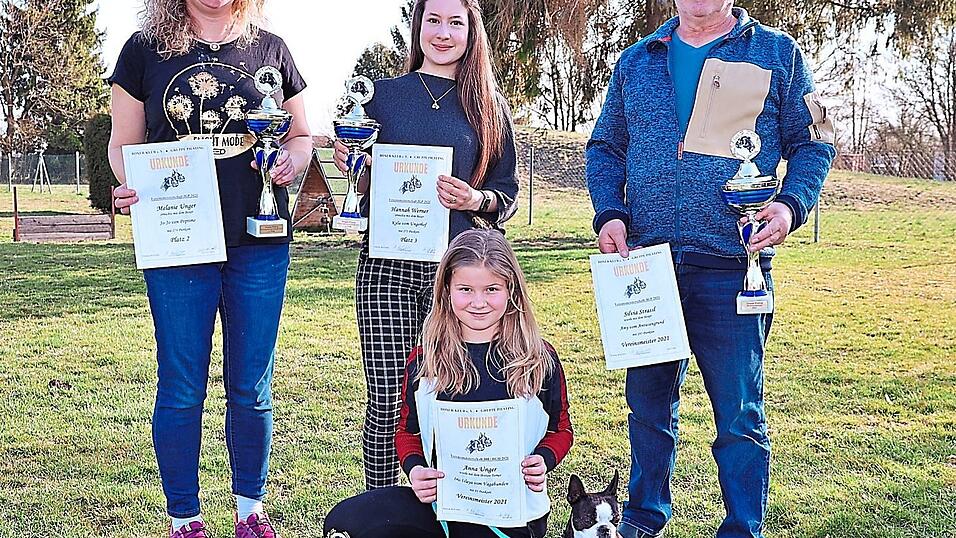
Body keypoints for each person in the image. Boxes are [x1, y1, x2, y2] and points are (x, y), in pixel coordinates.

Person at [585, 2, 835, 538]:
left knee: (739, 418)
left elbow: (815, 142)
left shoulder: (777, 53)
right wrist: (609, 211)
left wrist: (791, 205)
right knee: (648, 413)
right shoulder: (635, 60)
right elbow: (605, 146)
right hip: (647, 269)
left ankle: (742, 529)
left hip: (733, 268)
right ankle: (643, 521)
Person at [107, 0, 312, 536]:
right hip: (178, 244)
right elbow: (122, 145)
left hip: (259, 242)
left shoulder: (272, 48)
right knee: (180, 384)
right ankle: (185, 519)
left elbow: (299, 134)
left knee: (252, 385)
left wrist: (294, 158)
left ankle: (250, 512)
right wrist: (131, 183)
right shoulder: (141, 49)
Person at [332, 0, 519, 490]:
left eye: (455, 22)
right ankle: (382, 503)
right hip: (387, 268)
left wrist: (478, 197)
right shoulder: (378, 98)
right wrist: (352, 161)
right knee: (390, 396)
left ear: (470, 30)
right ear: (417, 28)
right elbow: (365, 181)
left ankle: (457, 501)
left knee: (455, 390)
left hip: (459, 278)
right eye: (432, 21)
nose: (443, 33)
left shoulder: (489, 105)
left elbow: (508, 194)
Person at [322, 229, 572, 538]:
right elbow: (407, 431)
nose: (478, 302)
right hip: (444, 505)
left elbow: (560, 430)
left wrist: (543, 460)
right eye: (465, 289)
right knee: (345, 522)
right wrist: (415, 470)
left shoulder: (538, 358)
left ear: (512, 291)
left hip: (512, 515)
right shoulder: (425, 361)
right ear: (446, 291)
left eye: (492, 289)